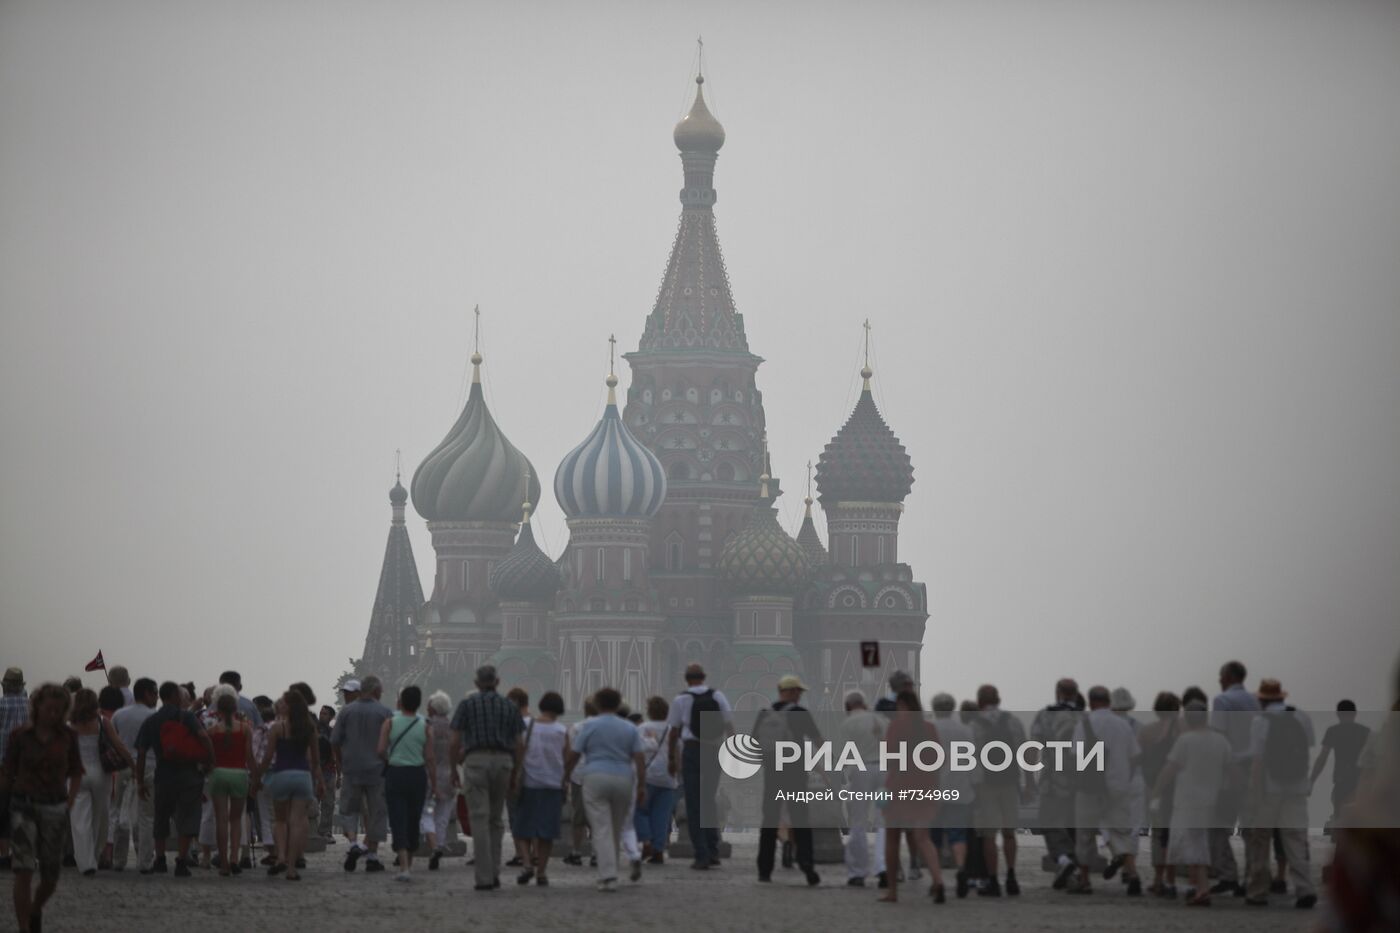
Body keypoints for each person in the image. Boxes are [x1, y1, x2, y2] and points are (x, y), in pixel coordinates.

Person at [2, 683, 82, 933]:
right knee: (23, 869)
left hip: (54, 807)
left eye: (59, 710)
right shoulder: (20, 736)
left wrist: (69, 801)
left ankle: (36, 907)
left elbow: (76, 771)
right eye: (49, 709)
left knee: (50, 876)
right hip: (22, 805)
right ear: (37, 706)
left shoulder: (69, 737)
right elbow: (7, 773)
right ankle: (24, 927)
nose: (54, 715)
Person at [451, 664, 524, 891]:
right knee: (496, 820)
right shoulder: (509, 706)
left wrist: (454, 767)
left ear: (476, 684)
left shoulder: (467, 704)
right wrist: (516, 771)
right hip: (503, 762)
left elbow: (455, 741)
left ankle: (484, 877)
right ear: (498, 682)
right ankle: (495, 872)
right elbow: (519, 744)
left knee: (479, 819)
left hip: (476, 761)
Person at [565, 687, 645, 893]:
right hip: (624, 779)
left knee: (601, 828)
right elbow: (639, 758)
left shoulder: (589, 726)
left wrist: (564, 776)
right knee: (616, 829)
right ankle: (613, 871)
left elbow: (574, 754)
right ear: (618, 704)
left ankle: (608, 876)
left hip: (595, 777)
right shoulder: (629, 728)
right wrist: (642, 785)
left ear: (598, 704)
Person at [1244, 678, 1316, 908]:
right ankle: (1305, 889)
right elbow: (1308, 749)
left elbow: (1258, 761)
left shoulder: (1260, 721)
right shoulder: (1302, 717)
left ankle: (1258, 891)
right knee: (1295, 838)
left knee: (1261, 839)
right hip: (1296, 786)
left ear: (1262, 700)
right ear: (1282, 696)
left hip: (1270, 788)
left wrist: (1255, 794)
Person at [1153, 700, 1231, 906]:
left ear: (1187, 719)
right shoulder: (1220, 740)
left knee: (1194, 845)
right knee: (1198, 843)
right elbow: (1231, 770)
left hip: (1187, 801)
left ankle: (1202, 889)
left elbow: (1169, 770)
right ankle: (1199, 887)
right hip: (1211, 800)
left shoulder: (1186, 740)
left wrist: (1155, 792)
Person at [1068, 685, 1143, 896]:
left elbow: (1076, 756)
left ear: (1091, 702)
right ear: (1108, 702)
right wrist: (1124, 777)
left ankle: (1084, 880)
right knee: (1121, 831)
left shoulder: (1084, 724)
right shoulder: (1123, 726)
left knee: (1084, 835)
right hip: (1118, 787)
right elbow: (1135, 756)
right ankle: (1133, 874)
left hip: (1090, 787)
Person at [135, 680, 213, 877]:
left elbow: (142, 753)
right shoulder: (186, 717)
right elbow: (203, 736)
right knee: (187, 817)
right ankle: (181, 860)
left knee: (160, 817)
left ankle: (160, 859)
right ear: (174, 697)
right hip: (188, 774)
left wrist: (140, 781)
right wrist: (210, 759)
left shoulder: (151, 721)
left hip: (163, 775)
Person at [877, 690, 945, 904]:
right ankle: (938, 880)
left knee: (892, 837)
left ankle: (893, 891)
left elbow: (887, 758)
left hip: (899, 786)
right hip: (925, 787)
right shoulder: (929, 728)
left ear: (902, 705)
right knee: (923, 838)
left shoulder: (896, 727)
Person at [755, 675, 823, 887]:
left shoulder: (765, 714)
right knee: (800, 819)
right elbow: (818, 740)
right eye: (798, 692)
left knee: (769, 820)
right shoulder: (800, 714)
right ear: (792, 692)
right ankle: (807, 865)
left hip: (772, 775)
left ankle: (764, 870)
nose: (800, 696)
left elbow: (754, 743)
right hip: (795, 774)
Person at [666, 663, 734, 870]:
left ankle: (701, 854)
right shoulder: (718, 696)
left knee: (694, 804)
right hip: (714, 751)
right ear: (704, 678)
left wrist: (672, 758)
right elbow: (729, 726)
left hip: (692, 751)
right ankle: (713, 849)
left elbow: (673, 732)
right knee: (709, 800)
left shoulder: (681, 699)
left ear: (687, 679)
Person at [251, 690, 323, 881]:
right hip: (303, 777)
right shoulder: (309, 728)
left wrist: (256, 777)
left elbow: (267, 758)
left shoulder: (277, 728)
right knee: (297, 822)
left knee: (280, 821)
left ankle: (280, 856)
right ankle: (292, 866)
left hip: (281, 775)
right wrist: (320, 781)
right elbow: (315, 760)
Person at [1207, 659, 1258, 896]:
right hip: (1254, 770)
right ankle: (1252, 877)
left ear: (1228, 677)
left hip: (1230, 770)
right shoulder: (1256, 701)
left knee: (1217, 825)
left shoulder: (1223, 701)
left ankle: (1228, 874)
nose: (1219, 680)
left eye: (1220, 676)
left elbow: (1219, 737)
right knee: (1250, 828)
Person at [971, 683, 1027, 896]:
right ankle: (1011, 875)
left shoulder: (975, 725)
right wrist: (1029, 781)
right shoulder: (1012, 721)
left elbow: (972, 759)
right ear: (998, 700)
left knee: (989, 835)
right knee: (1010, 833)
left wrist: (974, 788)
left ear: (979, 702)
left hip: (986, 785)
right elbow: (1025, 752)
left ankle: (993, 880)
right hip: (1010, 782)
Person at [331, 674, 391, 873]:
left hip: (351, 769)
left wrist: (341, 761)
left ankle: (353, 845)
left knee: (349, 810)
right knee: (376, 813)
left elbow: (335, 741)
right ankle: (371, 854)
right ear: (375, 691)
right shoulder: (384, 712)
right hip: (377, 770)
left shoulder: (346, 712)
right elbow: (390, 743)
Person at [68, 688, 130, 876]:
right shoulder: (103, 722)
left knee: (79, 820)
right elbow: (119, 745)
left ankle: (85, 862)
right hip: (100, 774)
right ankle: (94, 855)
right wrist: (133, 765)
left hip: (76, 775)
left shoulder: (69, 726)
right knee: (100, 818)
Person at [1029, 677, 1081, 891]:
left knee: (1050, 822)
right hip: (1080, 781)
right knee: (1074, 826)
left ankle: (1063, 860)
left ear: (1057, 692)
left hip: (1052, 779)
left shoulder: (1045, 716)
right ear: (1076, 694)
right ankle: (1075, 873)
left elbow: (1033, 748)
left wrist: (1029, 777)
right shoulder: (1084, 718)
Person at [377, 686, 434, 882]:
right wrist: (433, 782)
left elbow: (380, 750)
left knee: (397, 817)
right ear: (419, 703)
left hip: (396, 773)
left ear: (400, 702)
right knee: (413, 818)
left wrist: (392, 758)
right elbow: (430, 757)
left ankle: (403, 866)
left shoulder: (390, 722)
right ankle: (408, 862)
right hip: (418, 775)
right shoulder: (425, 725)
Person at [512, 690, 569, 885]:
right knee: (547, 832)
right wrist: (565, 781)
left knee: (522, 827)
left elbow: (518, 750)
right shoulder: (561, 731)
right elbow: (567, 759)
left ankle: (527, 863)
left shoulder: (526, 725)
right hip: (552, 784)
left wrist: (515, 773)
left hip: (529, 782)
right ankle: (542, 872)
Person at [1137, 691, 1182, 897]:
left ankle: (1158, 878)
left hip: (1153, 786)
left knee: (1158, 834)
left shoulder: (1147, 732)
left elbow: (1137, 759)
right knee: (1174, 834)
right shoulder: (1183, 730)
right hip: (1178, 787)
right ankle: (1171, 880)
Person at [930, 692, 975, 897]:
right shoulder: (966, 731)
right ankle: (961, 868)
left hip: (934, 790)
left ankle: (937, 879)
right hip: (961, 789)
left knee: (934, 838)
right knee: (958, 835)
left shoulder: (929, 729)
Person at [839, 692, 886, 888]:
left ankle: (858, 872)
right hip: (884, 771)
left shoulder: (847, 724)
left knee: (858, 820)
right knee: (884, 820)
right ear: (864, 703)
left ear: (848, 707)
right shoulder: (881, 720)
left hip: (861, 771)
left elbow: (846, 753)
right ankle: (883, 867)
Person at [205, 685, 252, 878]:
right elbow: (250, 757)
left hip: (218, 774)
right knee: (236, 820)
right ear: (236, 708)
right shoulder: (245, 729)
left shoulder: (212, 730)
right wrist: (256, 778)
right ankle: (234, 858)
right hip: (239, 774)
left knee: (221, 820)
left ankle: (223, 862)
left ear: (218, 710)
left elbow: (208, 758)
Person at [110, 677, 157, 872]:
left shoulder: (119, 715)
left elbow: (113, 741)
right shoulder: (153, 716)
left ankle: (118, 860)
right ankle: (144, 861)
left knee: (120, 812)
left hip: (123, 767)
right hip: (148, 766)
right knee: (146, 816)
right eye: (155, 692)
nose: (156, 697)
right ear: (146, 693)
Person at [1310, 699, 1370, 828]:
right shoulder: (1365, 731)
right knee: (1360, 821)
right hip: (1361, 781)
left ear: (1338, 714)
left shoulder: (1333, 731)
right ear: (1355, 713)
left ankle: (1339, 842)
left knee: (1339, 818)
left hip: (1341, 780)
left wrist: (1311, 781)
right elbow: (1373, 760)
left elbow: (1322, 758)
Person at [634, 696, 676, 864]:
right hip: (667, 778)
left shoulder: (643, 728)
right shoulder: (672, 729)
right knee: (661, 815)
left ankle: (647, 842)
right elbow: (678, 751)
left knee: (639, 811)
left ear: (649, 711)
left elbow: (637, 751)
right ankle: (658, 850)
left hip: (648, 776)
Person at [420, 692, 457, 870]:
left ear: (433, 708)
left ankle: (434, 845)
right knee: (443, 815)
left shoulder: (426, 726)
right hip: (449, 776)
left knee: (427, 812)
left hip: (429, 777)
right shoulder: (453, 727)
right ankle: (440, 843)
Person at [0, 667, 29, 873]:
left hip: (3, 766)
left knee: (2, 811)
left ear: (4, 686)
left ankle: (3, 854)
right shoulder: (31, 706)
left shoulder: (1, 705)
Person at [563, 697, 597, 866]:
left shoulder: (576, 727)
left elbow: (570, 752)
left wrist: (566, 775)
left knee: (578, 817)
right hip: (599, 775)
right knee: (598, 817)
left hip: (579, 776)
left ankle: (576, 852)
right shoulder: (605, 727)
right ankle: (596, 854)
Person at [504, 687, 532, 870]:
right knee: (530, 814)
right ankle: (532, 853)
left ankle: (519, 853)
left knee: (515, 814)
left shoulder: (512, 724)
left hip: (516, 771)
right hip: (534, 774)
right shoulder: (536, 722)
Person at [315, 705, 337, 840]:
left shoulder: (333, 732)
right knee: (312, 802)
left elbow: (337, 752)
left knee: (328, 803)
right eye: (321, 713)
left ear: (331, 717)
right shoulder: (313, 731)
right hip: (315, 771)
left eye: (325, 714)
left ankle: (325, 831)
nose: (321, 715)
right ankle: (311, 830)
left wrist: (339, 774)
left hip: (329, 771)